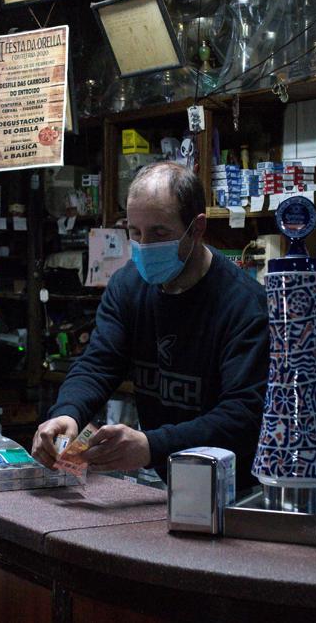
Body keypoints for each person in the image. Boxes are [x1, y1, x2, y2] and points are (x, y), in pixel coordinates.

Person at [31, 162, 267, 483]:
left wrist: (151, 446)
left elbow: (241, 417)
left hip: (233, 488)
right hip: (166, 479)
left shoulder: (244, 304)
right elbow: (98, 364)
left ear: (197, 229)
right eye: (135, 232)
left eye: (159, 233)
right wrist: (67, 413)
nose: (144, 245)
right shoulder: (128, 286)